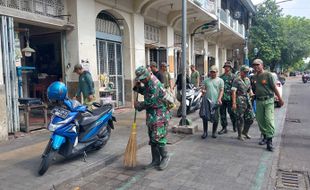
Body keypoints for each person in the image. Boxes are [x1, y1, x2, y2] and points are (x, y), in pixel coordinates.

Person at [133, 66, 170, 170]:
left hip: (159, 114)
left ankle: (165, 157)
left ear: (147, 75)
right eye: (140, 80)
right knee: (152, 138)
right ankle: (155, 160)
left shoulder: (154, 84)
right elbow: (145, 91)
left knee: (158, 136)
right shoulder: (148, 82)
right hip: (152, 114)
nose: (142, 81)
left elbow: (151, 102)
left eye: (142, 79)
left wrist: (139, 105)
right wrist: (138, 87)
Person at [252, 59, 284, 151]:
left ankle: (269, 142)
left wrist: (280, 99)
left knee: (269, 120)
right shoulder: (255, 76)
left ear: (262, 65)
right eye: (254, 65)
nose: (256, 67)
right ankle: (265, 136)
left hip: (269, 101)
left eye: (258, 65)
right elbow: (255, 88)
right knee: (260, 120)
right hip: (259, 101)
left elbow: (274, 87)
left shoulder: (268, 75)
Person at [231, 65, 255, 141]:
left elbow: (249, 89)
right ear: (241, 72)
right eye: (245, 72)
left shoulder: (248, 79)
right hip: (239, 99)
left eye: (247, 72)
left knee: (251, 117)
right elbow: (233, 92)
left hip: (247, 99)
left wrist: (251, 93)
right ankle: (239, 134)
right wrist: (234, 103)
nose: (246, 73)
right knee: (240, 118)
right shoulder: (236, 80)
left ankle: (245, 132)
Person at [201, 65, 224, 139]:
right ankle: (205, 132)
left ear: (217, 72)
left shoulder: (220, 80)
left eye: (214, 72)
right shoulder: (206, 80)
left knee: (216, 118)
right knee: (205, 117)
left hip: (215, 101)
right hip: (207, 101)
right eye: (211, 72)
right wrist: (203, 91)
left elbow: (221, 90)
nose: (212, 73)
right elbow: (203, 89)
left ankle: (214, 132)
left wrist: (219, 99)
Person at [219, 61, 237, 135]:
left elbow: (235, 88)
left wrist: (234, 101)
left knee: (232, 113)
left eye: (228, 67)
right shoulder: (221, 77)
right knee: (222, 114)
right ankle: (224, 127)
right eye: (226, 67)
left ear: (230, 68)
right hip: (223, 98)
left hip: (230, 98)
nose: (227, 68)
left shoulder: (234, 77)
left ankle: (234, 125)